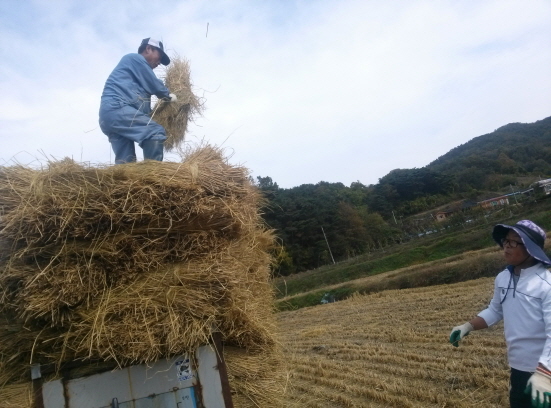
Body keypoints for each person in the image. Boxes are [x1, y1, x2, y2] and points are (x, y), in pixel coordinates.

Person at [449, 220, 551, 408]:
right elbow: (495, 310)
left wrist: (545, 374)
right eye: (506, 241)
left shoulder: (545, 285)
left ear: (530, 248)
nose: (506, 247)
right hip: (519, 368)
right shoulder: (503, 278)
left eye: (514, 242)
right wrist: (468, 326)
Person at [99, 38, 177, 164]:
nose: (159, 62)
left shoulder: (137, 78)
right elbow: (154, 85)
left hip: (110, 116)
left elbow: (144, 111)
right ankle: (153, 178)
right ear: (148, 49)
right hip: (118, 108)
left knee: (126, 162)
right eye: (159, 56)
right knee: (154, 132)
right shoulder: (134, 59)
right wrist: (168, 95)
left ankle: (123, 182)